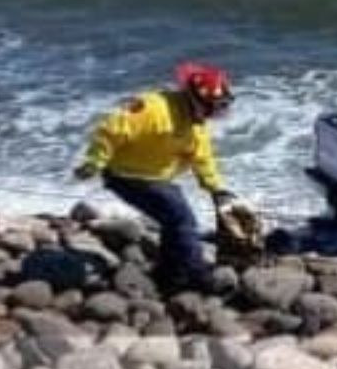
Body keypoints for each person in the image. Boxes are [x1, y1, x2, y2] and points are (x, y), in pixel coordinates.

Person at [73, 62, 240, 292]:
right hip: (125, 175)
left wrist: (216, 190)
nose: (217, 112)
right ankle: (197, 275)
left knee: (174, 217)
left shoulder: (196, 124)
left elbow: (202, 160)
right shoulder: (152, 108)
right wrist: (95, 162)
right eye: (215, 106)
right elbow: (111, 130)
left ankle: (168, 276)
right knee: (181, 218)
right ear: (197, 100)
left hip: (156, 178)